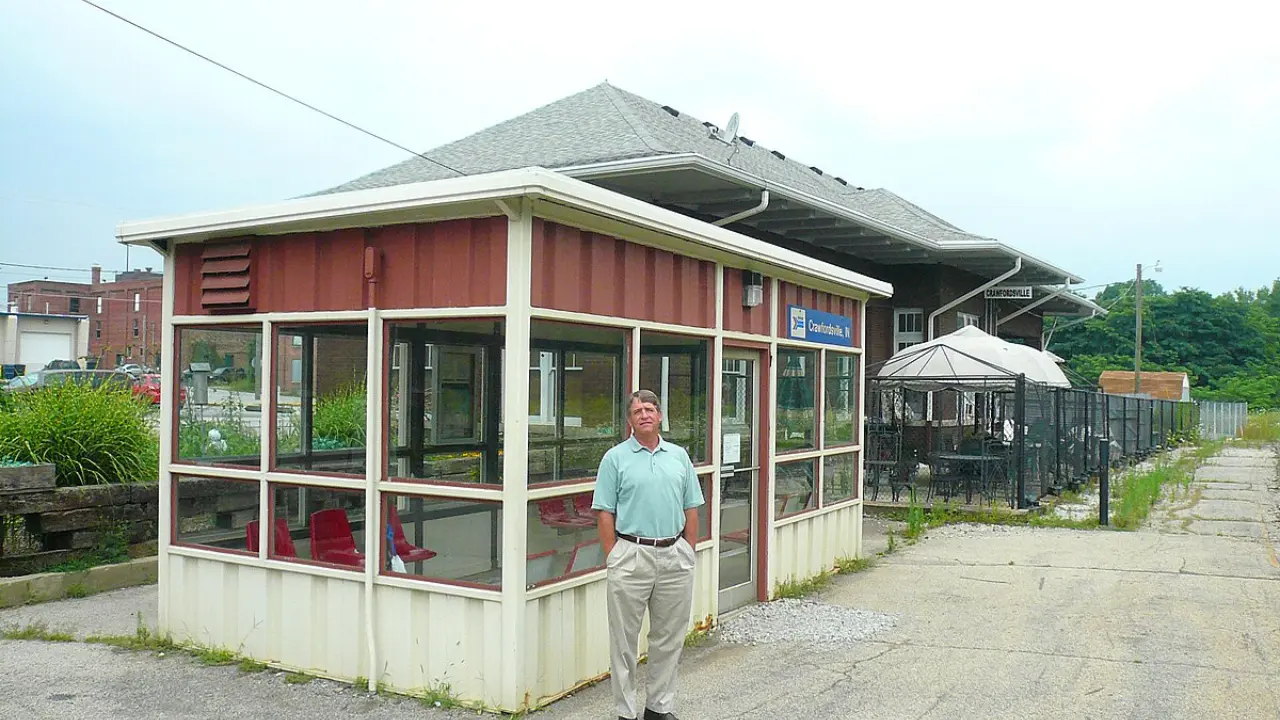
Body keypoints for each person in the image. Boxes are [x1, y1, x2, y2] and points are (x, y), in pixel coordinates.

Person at [592, 389, 704, 720]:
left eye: (650, 409)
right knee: (624, 643)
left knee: (668, 639)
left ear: (660, 416)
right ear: (629, 420)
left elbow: (692, 506)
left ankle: (659, 707)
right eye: (637, 410)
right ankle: (625, 712)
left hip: (674, 556)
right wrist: (614, 555)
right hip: (631, 555)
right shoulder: (615, 459)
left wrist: (688, 549)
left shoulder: (679, 456)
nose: (644, 414)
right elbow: (604, 512)